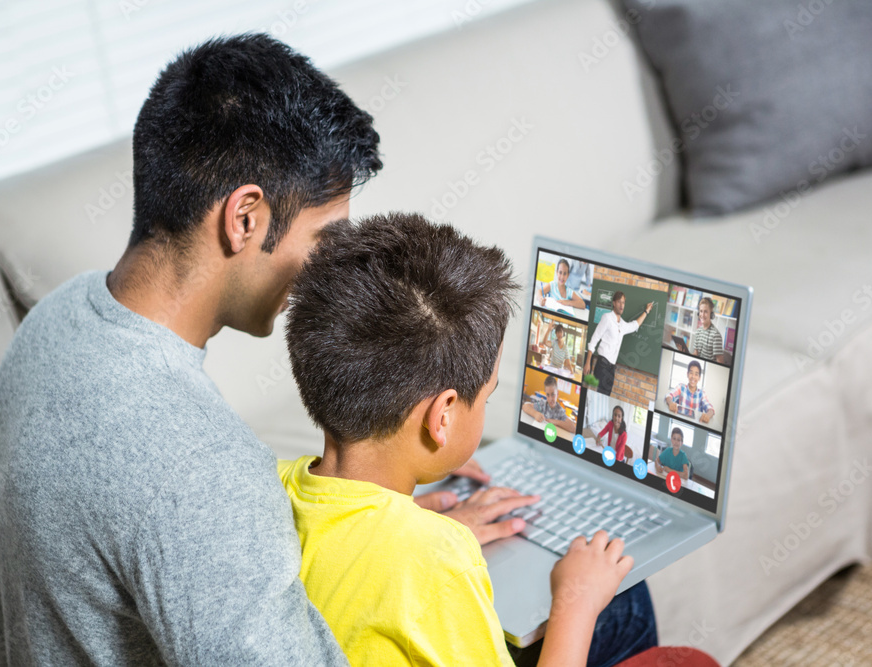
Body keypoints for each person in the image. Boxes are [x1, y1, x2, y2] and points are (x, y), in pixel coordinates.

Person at [0, 35, 522, 666]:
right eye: (326, 236)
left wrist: (393, 542)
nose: (332, 266)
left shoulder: (56, 318)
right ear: (244, 218)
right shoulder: (200, 468)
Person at [279, 213, 656, 666]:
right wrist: (575, 602)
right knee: (628, 602)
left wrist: (415, 525)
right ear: (441, 418)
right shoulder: (441, 562)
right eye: (487, 398)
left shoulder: (276, 486)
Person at [584, 292, 653, 396]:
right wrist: (588, 362)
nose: (621, 305)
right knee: (598, 396)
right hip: (602, 364)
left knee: (606, 396)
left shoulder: (622, 324)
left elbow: (635, 325)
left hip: (612, 368)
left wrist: (646, 311)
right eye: (619, 302)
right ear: (614, 303)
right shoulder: (607, 318)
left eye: (623, 303)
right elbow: (594, 339)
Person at [664, 360, 715, 424]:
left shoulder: (702, 393)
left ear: (699, 378)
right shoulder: (681, 387)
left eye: (696, 374)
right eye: (691, 373)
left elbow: (710, 409)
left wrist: (708, 415)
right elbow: (668, 395)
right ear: (687, 374)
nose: (693, 377)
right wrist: (670, 403)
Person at [690, 297, 725, 363]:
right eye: (701, 311)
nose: (702, 315)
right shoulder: (698, 332)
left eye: (705, 311)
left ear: (711, 313)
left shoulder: (715, 335)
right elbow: (696, 353)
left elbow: (720, 362)